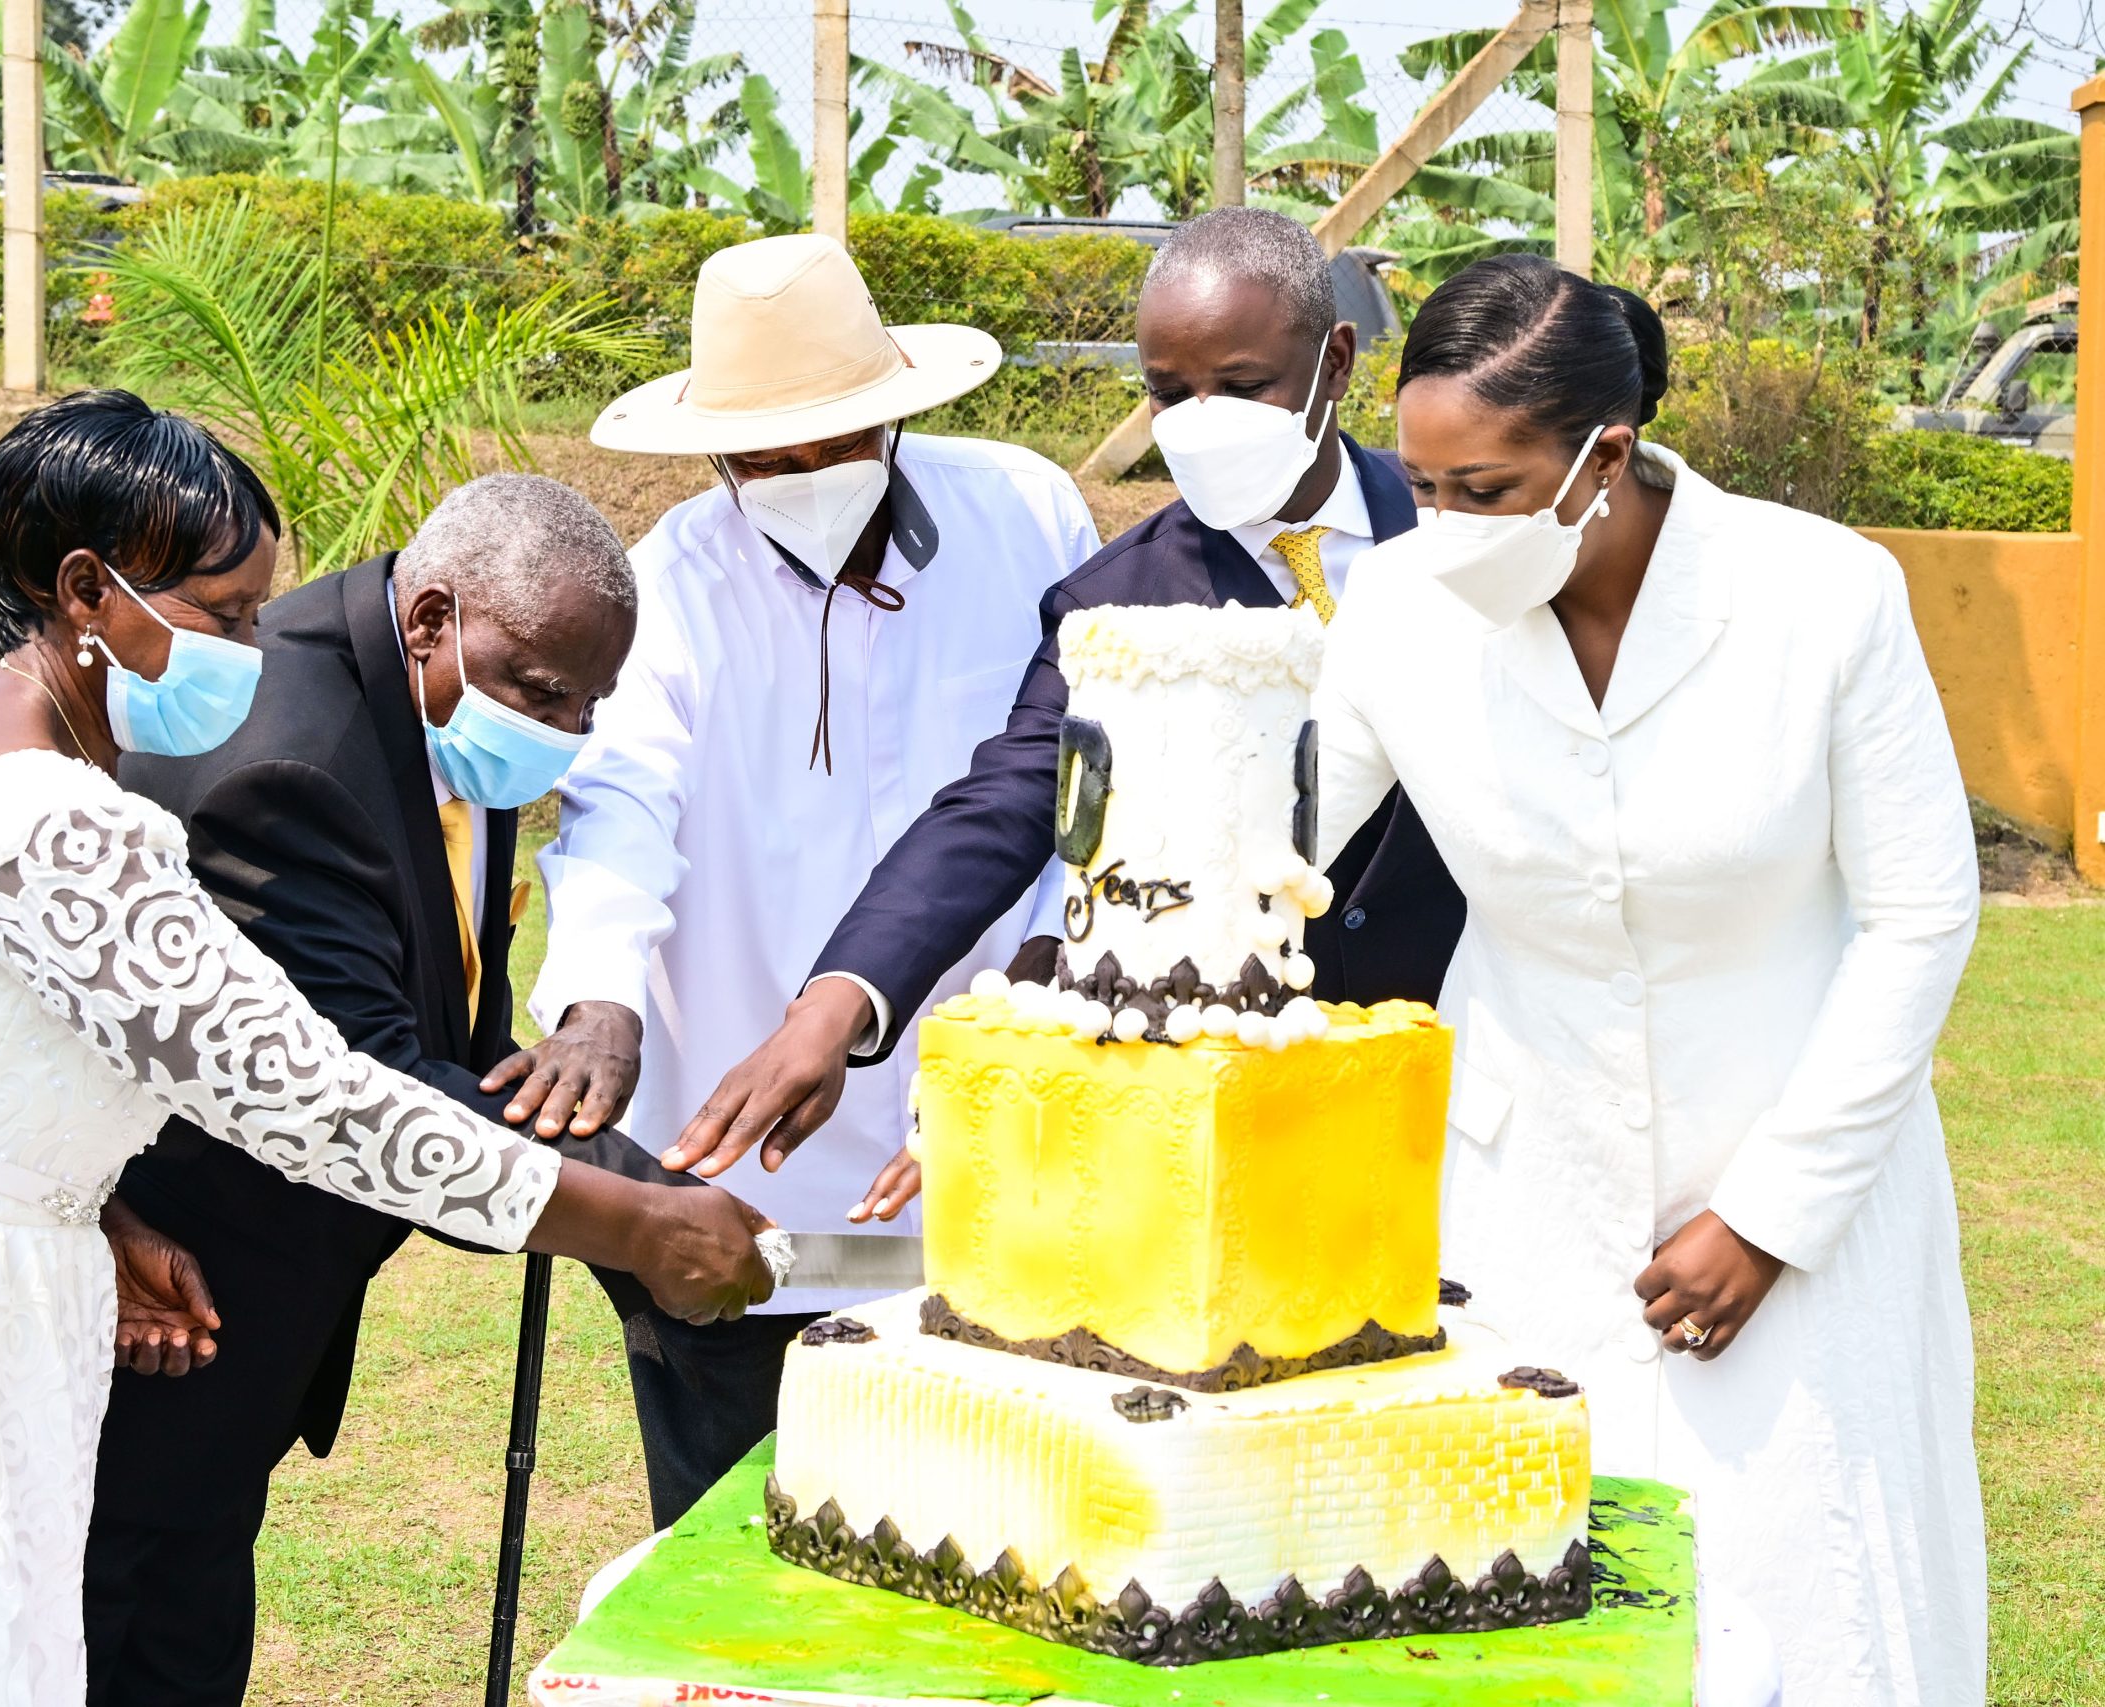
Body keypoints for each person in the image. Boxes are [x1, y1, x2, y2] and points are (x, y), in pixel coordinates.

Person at [0, 391, 774, 1705]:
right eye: (229, 618)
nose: (254, 655)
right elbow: (313, 1099)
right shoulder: (59, 822)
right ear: (88, 590)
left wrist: (102, 1205)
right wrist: (642, 1225)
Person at [1313, 255, 1981, 1704]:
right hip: (1526, 1196)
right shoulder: (1398, 607)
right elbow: (1265, 848)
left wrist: (1772, 1215)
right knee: (1529, 1599)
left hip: (1804, 1178)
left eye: (1483, 488)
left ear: (1604, 459)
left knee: (1809, 1587)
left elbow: (1921, 917)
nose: (1444, 525)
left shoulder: (1823, 595)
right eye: (1421, 485)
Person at [491, 233, 1102, 1525]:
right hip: (734, 1166)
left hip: (986, 1128)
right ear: (717, 454)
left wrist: (1043, 981)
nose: (803, 479)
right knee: (734, 1531)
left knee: (994, 1522)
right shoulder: (667, 582)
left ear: (894, 417)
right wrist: (597, 997)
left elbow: (1073, 783)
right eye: (765, 459)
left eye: (833, 445)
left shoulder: (1028, 515)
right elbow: (619, 806)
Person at [673, 206, 1464, 1188]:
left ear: (1334, 364)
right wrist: (838, 1002)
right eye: (1169, 393)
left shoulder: (1458, 530)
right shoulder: (1114, 597)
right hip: (1234, 1094)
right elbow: (1007, 797)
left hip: (1473, 1064)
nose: (1203, 420)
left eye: (1242, 386)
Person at [83, 473, 713, 1705]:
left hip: (251, 1317)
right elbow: (366, 1094)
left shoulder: (439, 702)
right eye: (545, 693)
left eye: (591, 704)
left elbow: (441, 1015)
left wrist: (556, 1098)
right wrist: (647, 1213)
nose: (566, 730)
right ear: (431, 619)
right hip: (163, 1302)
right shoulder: (292, 761)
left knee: (189, 1614)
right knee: (125, 1635)